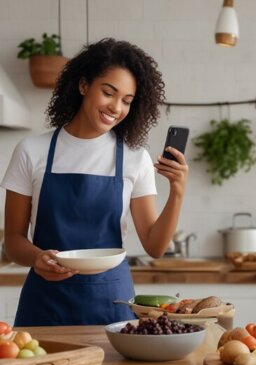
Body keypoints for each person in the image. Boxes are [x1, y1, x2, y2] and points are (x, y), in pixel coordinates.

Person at [1, 38, 188, 326]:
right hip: (45, 300)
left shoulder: (134, 158)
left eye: (127, 100)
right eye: (108, 92)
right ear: (84, 85)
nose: (116, 107)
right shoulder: (31, 151)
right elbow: (13, 241)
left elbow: (155, 246)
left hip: (110, 302)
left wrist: (177, 191)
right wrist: (38, 258)